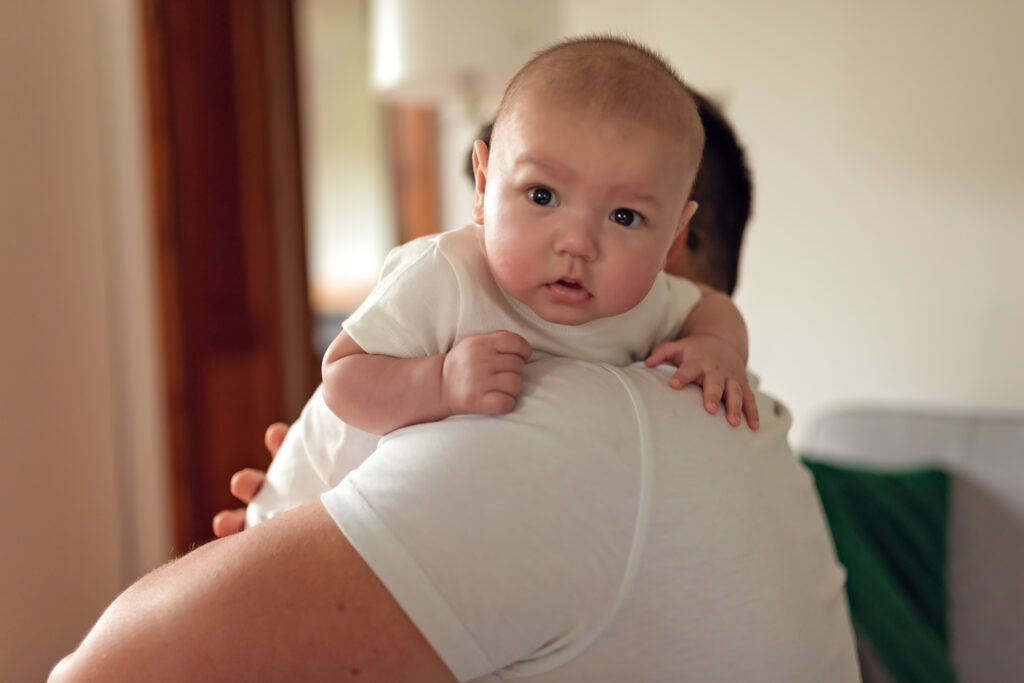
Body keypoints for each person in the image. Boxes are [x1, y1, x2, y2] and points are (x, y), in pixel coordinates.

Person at [244, 36, 758, 528]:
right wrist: (440, 381)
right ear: (484, 186)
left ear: (674, 235)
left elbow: (711, 308)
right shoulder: (446, 274)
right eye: (542, 196)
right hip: (302, 508)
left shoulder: (647, 303)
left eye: (624, 217)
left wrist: (717, 347)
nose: (577, 242)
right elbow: (342, 376)